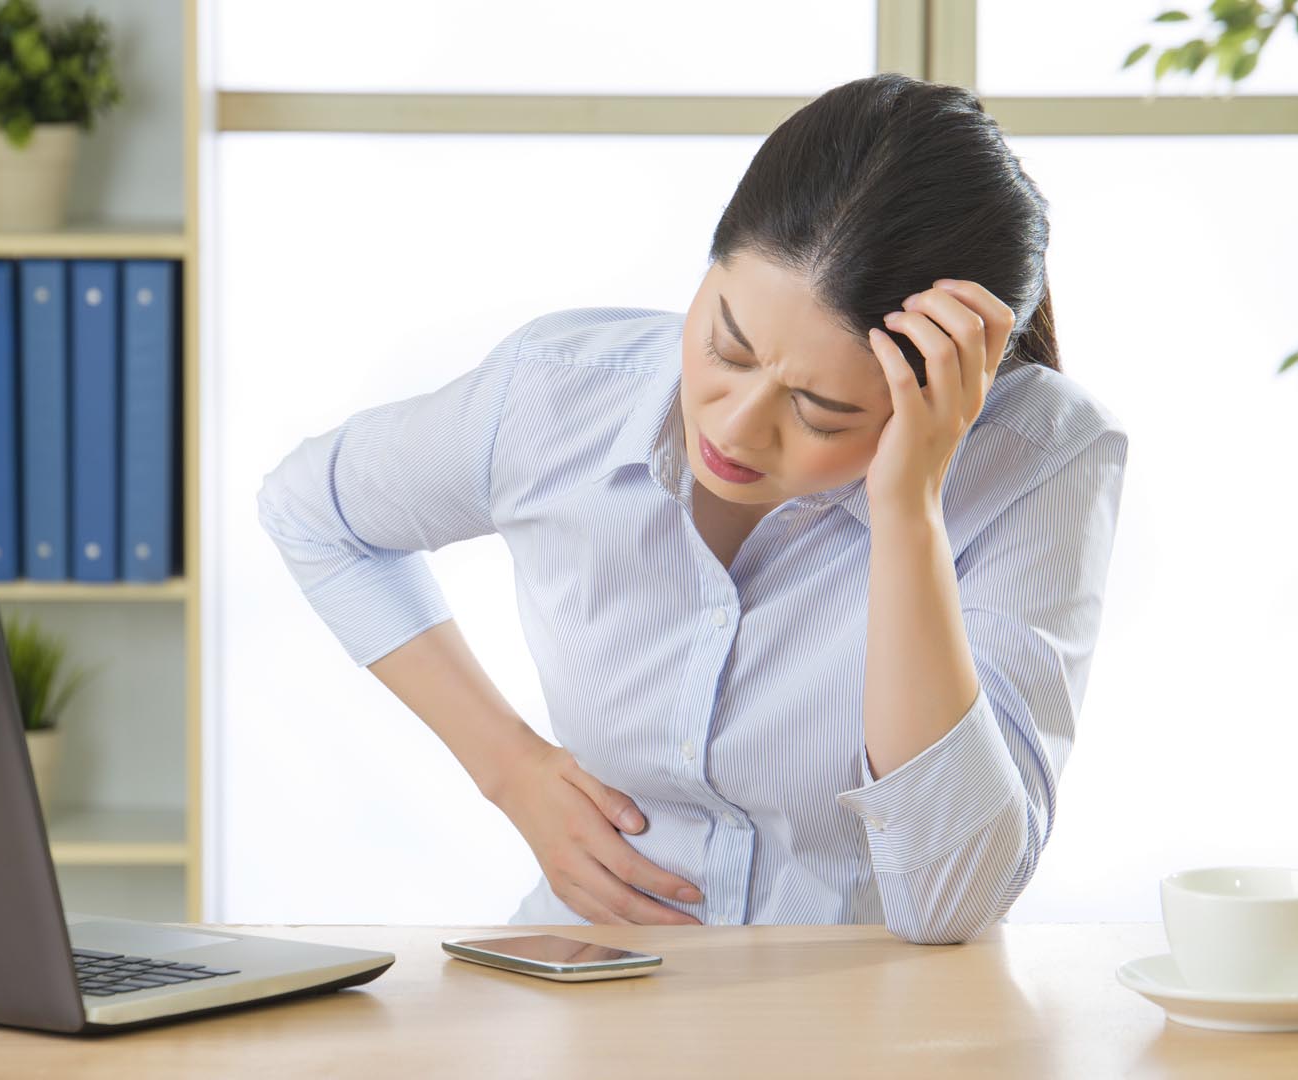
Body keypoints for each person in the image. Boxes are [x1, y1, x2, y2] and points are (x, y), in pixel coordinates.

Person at [256, 74, 1130, 945]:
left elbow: (948, 904)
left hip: (856, 1030)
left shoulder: (1041, 463)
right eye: (726, 344)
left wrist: (908, 510)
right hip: (589, 984)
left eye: (821, 411)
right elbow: (312, 512)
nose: (736, 426)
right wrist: (511, 770)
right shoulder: (557, 399)